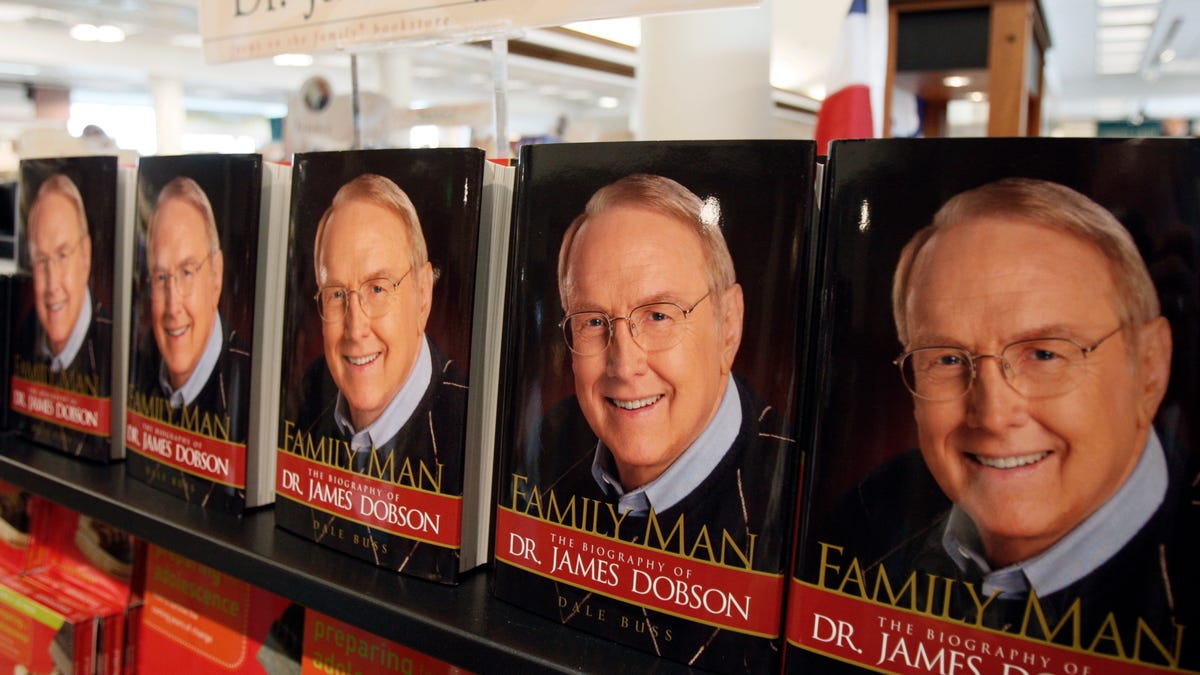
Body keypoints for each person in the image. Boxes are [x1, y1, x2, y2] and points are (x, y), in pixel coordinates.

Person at [827, 177, 1198, 668]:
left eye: (1044, 353)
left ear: (1151, 365)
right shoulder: (866, 514)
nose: (994, 415)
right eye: (947, 359)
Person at [529, 173, 796, 668]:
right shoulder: (549, 440)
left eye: (658, 315)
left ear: (729, 324)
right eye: (592, 321)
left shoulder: (798, 496)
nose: (624, 365)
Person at [296, 173, 466, 578]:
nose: (355, 329)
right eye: (336, 294)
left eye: (377, 288)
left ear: (423, 293)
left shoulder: (470, 431)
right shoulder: (306, 397)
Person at [133, 176, 248, 510]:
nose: (172, 305)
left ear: (216, 274)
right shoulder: (138, 365)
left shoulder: (250, 388)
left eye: (186, 273)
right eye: (161, 277)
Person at [25, 174, 97, 374]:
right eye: (42, 260)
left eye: (63, 255)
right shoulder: (20, 340)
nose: (52, 283)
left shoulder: (113, 348)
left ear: (85, 255)